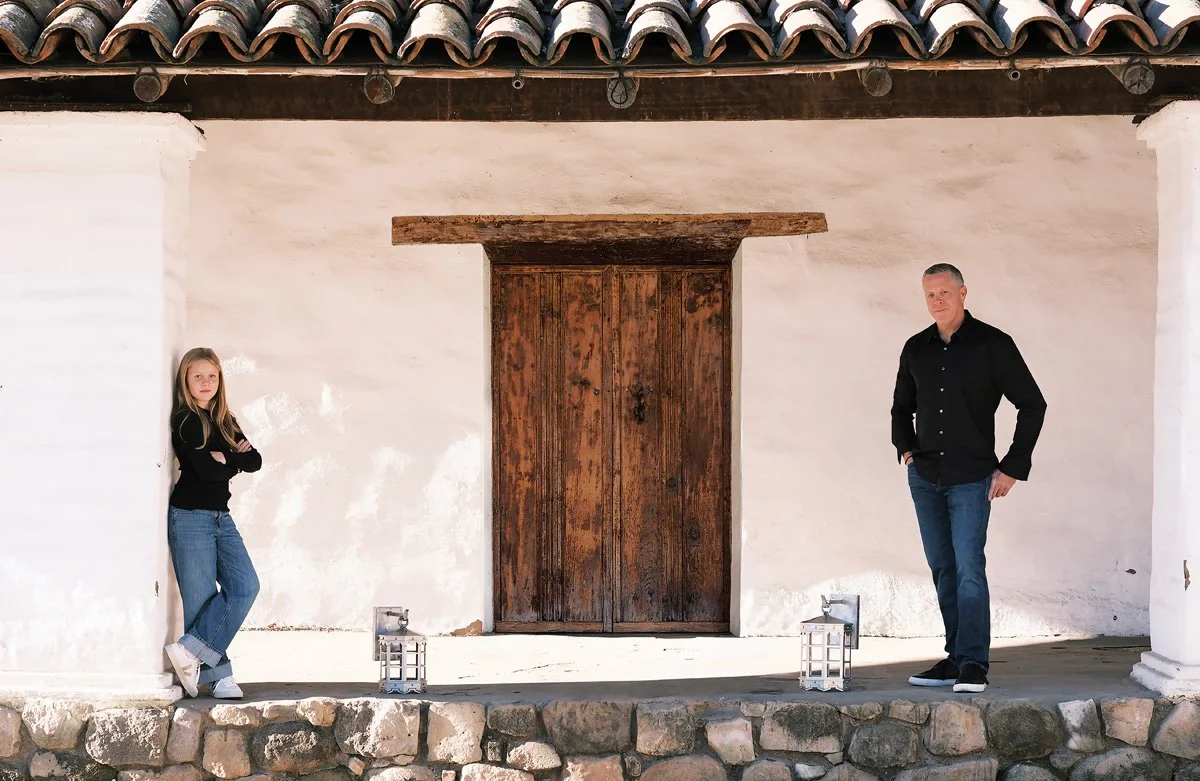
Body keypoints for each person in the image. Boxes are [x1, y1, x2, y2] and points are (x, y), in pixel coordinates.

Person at [891, 264, 1046, 694]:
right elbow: (901, 406)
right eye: (929, 295)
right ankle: (955, 657)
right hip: (925, 476)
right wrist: (906, 449)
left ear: (962, 293)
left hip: (971, 477)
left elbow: (1033, 404)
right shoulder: (916, 348)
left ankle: (974, 663)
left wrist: (1012, 467)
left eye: (944, 292)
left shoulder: (993, 344)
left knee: (969, 568)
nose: (937, 301)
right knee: (943, 567)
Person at [163, 347, 262, 699]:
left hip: (222, 517)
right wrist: (233, 459)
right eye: (198, 376)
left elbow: (256, 461)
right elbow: (206, 471)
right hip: (190, 517)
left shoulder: (225, 420)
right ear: (185, 381)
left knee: (246, 586)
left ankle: (188, 650)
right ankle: (219, 678)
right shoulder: (186, 420)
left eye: (212, 376)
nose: (206, 382)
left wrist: (226, 458)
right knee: (202, 599)